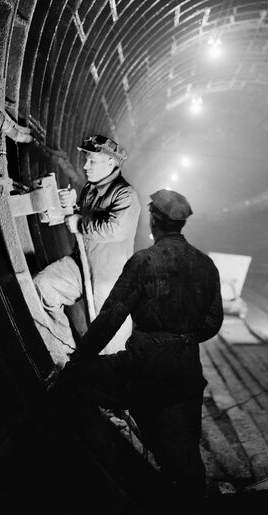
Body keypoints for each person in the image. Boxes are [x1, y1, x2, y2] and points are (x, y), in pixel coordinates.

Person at [55, 189, 223, 512]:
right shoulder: (206, 265)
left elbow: (110, 317)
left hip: (141, 369)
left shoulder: (143, 261)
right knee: (186, 463)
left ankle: (107, 476)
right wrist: (180, 339)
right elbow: (213, 321)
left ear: (154, 221)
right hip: (186, 376)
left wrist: (80, 358)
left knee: (73, 384)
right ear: (180, 225)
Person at [34, 134, 140, 363]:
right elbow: (80, 215)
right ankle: (68, 352)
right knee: (44, 286)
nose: (85, 165)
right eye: (86, 159)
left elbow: (115, 229)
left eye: (92, 160)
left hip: (110, 279)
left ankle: (110, 391)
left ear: (110, 163)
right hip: (81, 265)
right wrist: (71, 203)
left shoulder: (126, 195)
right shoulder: (90, 189)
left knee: (111, 346)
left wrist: (80, 223)